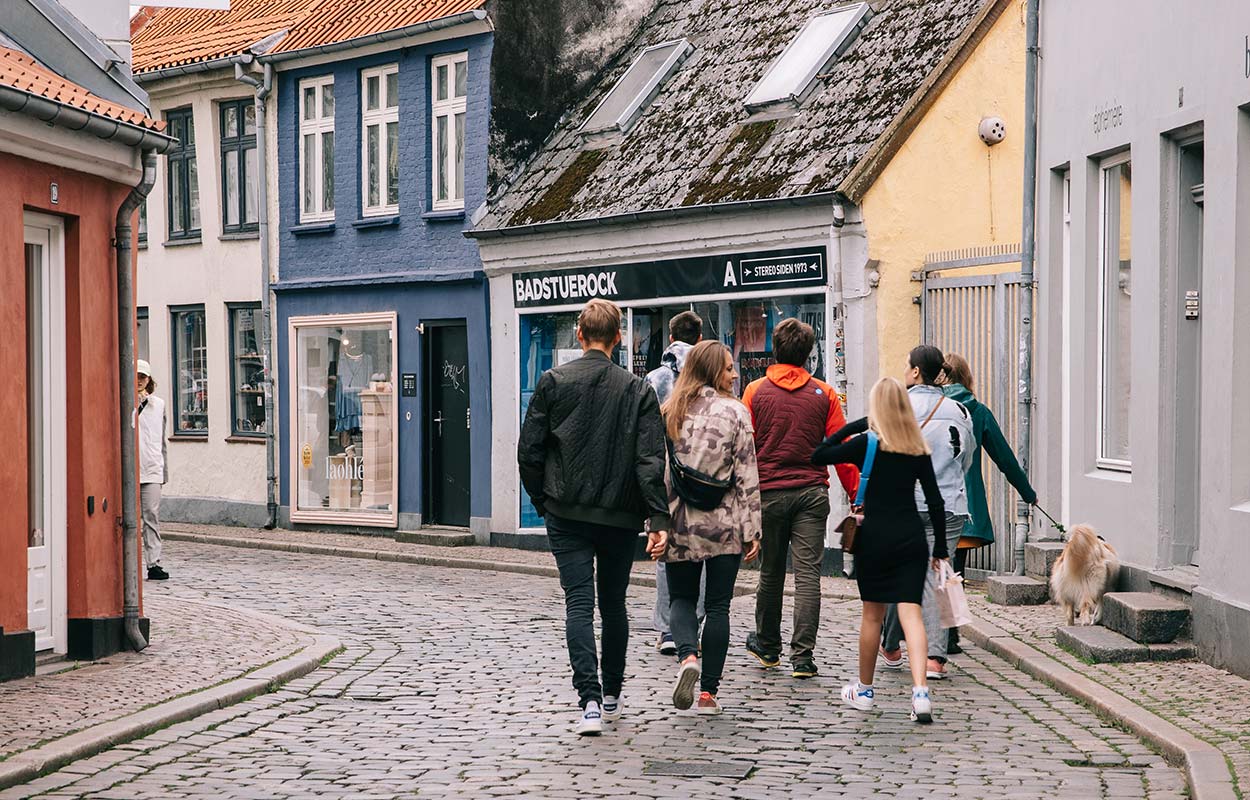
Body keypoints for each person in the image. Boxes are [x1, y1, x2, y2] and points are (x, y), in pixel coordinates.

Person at [517, 298, 670, 737]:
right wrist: (657, 518)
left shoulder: (552, 382)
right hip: (620, 516)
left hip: (566, 512)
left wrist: (545, 502)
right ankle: (611, 694)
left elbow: (530, 451)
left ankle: (587, 700)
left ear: (579, 335)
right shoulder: (637, 390)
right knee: (614, 606)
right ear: (619, 337)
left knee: (578, 605)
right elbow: (648, 460)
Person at [812, 377, 946, 723]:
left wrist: (857, 424)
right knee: (911, 614)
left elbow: (820, 454)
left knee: (872, 615)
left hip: (874, 539)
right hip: (911, 538)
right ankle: (920, 695)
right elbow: (934, 501)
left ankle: (865, 690)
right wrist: (941, 547)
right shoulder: (917, 448)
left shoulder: (865, 443)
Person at [742, 318, 858, 679]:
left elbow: (745, 450)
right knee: (808, 575)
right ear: (809, 353)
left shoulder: (754, 392)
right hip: (811, 492)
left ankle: (768, 646)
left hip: (769, 492)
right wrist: (857, 494)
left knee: (772, 572)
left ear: (774, 350)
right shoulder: (824, 394)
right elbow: (842, 450)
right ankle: (803, 657)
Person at [660, 341, 762, 715]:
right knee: (718, 607)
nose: (735, 375)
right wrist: (753, 529)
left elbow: (658, 474)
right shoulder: (735, 412)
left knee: (682, 599)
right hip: (725, 524)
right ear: (712, 371)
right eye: (729, 368)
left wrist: (655, 524)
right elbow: (747, 475)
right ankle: (707, 695)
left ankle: (688, 656)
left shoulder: (669, 411)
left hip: (680, 522)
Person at [939, 353, 1037, 653]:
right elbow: (1005, 458)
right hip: (965, 508)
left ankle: (914, 633)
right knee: (954, 572)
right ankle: (950, 635)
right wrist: (1027, 493)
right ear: (967, 378)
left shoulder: (932, 408)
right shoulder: (978, 412)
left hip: (931, 502)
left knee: (927, 567)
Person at [646, 311, 706, 656]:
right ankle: (693, 623)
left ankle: (669, 629)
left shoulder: (654, 379)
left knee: (664, 550)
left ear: (670, 339)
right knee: (700, 547)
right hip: (701, 475)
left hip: (663, 475)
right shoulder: (708, 379)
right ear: (698, 339)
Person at [135, 359, 170, 581]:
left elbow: (162, 439)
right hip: (130, 469)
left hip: (152, 469)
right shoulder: (125, 402)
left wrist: (163, 471)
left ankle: (153, 563)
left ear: (149, 380)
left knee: (151, 515)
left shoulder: (159, 405)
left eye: (143, 377)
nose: (139, 381)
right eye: (136, 376)